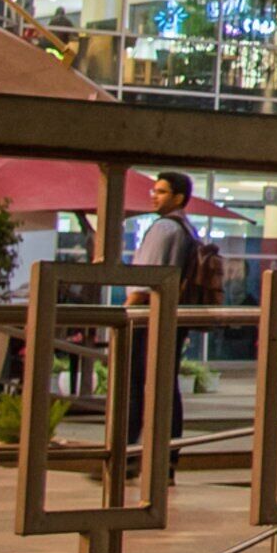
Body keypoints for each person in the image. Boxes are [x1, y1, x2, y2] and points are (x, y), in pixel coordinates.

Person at [117, 171, 205, 462]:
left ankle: (126, 456)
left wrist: (124, 315)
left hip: (148, 318)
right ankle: (166, 460)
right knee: (165, 387)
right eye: (154, 190)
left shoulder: (164, 229)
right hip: (172, 318)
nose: (154, 195)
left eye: (162, 191)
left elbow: (143, 282)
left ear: (178, 197)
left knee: (136, 386)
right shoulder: (186, 229)